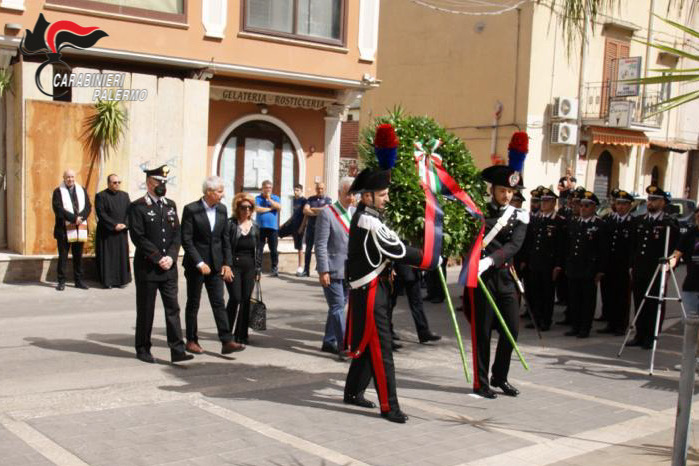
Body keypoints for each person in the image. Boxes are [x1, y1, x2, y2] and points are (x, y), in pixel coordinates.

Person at [344, 124, 430, 423]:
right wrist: (429, 257)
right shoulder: (369, 221)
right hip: (370, 292)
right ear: (366, 196)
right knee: (381, 350)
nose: (387, 199)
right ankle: (389, 406)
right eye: (382, 195)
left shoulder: (371, 216)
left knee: (369, 344)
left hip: (373, 289)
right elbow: (396, 250)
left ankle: (353, 392)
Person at [468, 164, 527, 399]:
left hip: (505, 276)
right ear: (492, 190)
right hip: (483, 280)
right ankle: (480, 382)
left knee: (511, 329)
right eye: (503, 190)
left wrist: (491, 260)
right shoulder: (479, 212)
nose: (507, 196)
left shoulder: (519, 215)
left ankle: (499, 376)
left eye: (511, 192)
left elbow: (514, 245)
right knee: (482, 332)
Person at [128, 164, 193, 364]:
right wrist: (158, 258)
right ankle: (143, 348)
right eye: (158, 181)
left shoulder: (170, 205)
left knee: (173, 308)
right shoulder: (138, 206)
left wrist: (172, 256)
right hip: (148, 267)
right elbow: (138, 237)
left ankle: (177, 349)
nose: (162, 185)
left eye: (164, 182)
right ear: (149, 183)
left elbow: (176, 234)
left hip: (169, 268)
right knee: (146, 309)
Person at [181, 176, 243, 355]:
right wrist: (199, 262)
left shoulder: (222, 210)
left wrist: (227, 264)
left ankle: (226, 340)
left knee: (218, 302)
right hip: (196, 265)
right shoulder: (191, 210)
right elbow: (186, 239)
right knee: (193, 303)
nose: (222, 195)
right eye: (219, 191)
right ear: (209, 192)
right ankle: (191, 340)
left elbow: (225, 240)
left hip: (216, 266)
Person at [628, 185, 679, 349]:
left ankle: (651, 335)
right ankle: (640, 334)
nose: (650, 203)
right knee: (639, 301)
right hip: (640, 268)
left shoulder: (668, 222)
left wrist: (670, 268)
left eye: (655, 200)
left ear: (663, 202)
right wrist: (632, 265)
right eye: (649, 199)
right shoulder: (640, 220)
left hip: (657, 269)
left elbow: (675, 248)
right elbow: (634, 246)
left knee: (654, 303)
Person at [315, 177, 354, 360]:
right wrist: (323, 271)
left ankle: (328, 340)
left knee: (337, 306)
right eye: (348, 194)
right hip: (331, 269)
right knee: (338, 307)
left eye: (354, 194)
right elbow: (320, 244)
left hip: (349, 270)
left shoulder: (354, 213)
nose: (351, 197)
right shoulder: (327, 213)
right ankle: (343, 345)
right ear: (339, 193)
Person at [563, 191, 608, 339]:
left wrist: (600, 270)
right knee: (574, 298)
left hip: (589, 268)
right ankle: (575, 326)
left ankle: (585, 328)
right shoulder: (575, 222)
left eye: (587, 206)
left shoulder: (599, 225)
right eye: (581, 205)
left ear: (594, 207)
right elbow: (569, 245)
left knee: (587, 300)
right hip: (574, 267)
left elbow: (603, 249)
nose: (583, 208)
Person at [520, 187, 565, 331]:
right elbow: (530, 242)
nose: (543, 204)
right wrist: (526, 259)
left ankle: (546, 320)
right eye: (542, 201)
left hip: (549, 264)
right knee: (535, 292)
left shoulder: (558, 221)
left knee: (547, 293)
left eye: (547, 201)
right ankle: (536, 318)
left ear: (553, 203)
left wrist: (558, 265)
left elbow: (560, 246)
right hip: (535, 262)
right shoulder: (536, 219)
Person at [226, 193, 261, 345]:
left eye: (249, 207)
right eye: (243, 207)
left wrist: (258, 270)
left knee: (246, 299)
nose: (246, 210)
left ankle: (241, 334)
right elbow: (225, 246)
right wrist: (226, 265)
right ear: (237, 208)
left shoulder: (255, 227)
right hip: (234, 265)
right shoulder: (230, 224)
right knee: (235, 298)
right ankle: (226, 332)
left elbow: (259, 250)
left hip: (250, 267)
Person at [599, 189, 634, 335]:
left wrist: (631, 265)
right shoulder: (609, 220)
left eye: (623, 204)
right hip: (609, 264)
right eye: (618, 203)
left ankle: (621, 325)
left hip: (623, 266)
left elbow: (634, 247)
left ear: (629, 206)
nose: (620, 207)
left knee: (622, 297)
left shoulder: (633, 223)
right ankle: (610, 323)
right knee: (608, 295)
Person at [52, 169, 91, 291]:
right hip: (64, 230)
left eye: (72, 177)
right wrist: (74, 218)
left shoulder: (81, 190)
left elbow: (88, 206)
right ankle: (61, 281)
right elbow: (58, 209)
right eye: (68, 177)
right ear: (64, 178)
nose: (70, 179)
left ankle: (79, 281)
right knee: (63, 256)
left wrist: (81, 218)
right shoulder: (58, 191)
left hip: (80, 228)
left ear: (75, 177)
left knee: (78, 256)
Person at [95, 174, 131, 289]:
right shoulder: (101, 196)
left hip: (121, 232)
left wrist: (125, 224)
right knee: (108, 257)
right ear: (109, 183)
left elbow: (130, 212)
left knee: (121, 256)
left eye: (119, 182)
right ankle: (108, 281)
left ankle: (122, 280)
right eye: (114, 182)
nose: (117, 184)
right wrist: (114, 225)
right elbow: (101, 213)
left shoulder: (125, 196)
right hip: (107, 232)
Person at [669, 206, 699, 316]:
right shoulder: (689, 235)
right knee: (691, 322)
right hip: (691, 286)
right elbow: (677, 253)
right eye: (697, 213)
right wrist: (669, 264)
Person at [301, 182, 332, 277]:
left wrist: (313, 209)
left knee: (321, 250)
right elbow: (305, 210)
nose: (320, 190)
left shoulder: (328, 199)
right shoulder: (310, 199)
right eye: (318, 188)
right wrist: (317, 212)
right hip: (311, 228)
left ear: (324, 189)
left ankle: (321, 269)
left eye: (322, 188)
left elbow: (326, 210)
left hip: (322, 229)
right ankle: (306, 270)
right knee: (308, 249)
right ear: (316, 189)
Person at [279, 183, 307, 276]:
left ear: (301, 191)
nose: (296, 192)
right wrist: (284, 224)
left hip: (300, 226)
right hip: (293, 225)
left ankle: (300, 267)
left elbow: (305, 216)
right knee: (278, 233)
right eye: (295, 190)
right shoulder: (294, 201)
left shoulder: (304, 201)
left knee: (299, 247)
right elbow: (294, 215)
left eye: (298, 190)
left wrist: (302, 227)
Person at [255, 180, 281, 277]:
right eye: (266, 188)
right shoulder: (258, 198)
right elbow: (257, 209)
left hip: (273, 228)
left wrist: (269, 199)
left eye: (270, 188)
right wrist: (270, 209)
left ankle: (274, 268)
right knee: (259, 249)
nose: (268, 189)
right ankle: (258, 268)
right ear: (262, 188)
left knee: (273, 249)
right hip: (260, 227)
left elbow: (278, 207)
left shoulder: (275, 198)